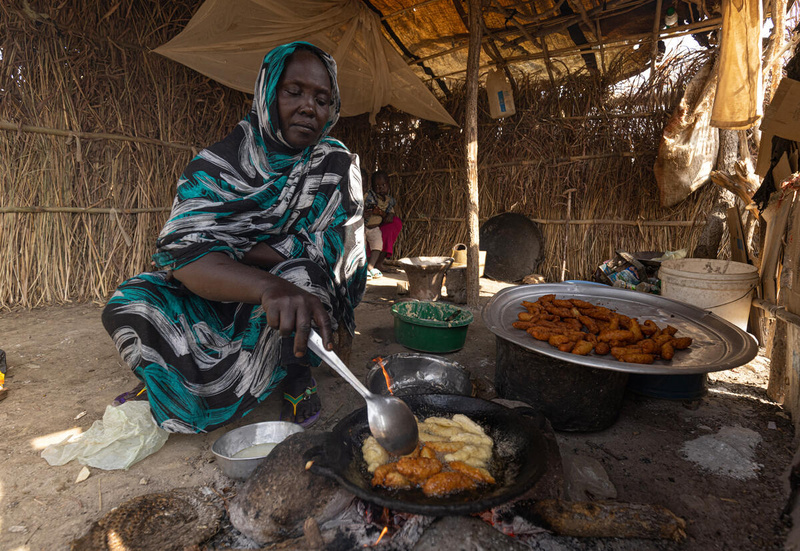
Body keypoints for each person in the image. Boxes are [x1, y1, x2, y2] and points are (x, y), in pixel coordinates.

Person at [102, 42, 367, 433]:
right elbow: (186, 257)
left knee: (304, 278)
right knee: (132, 302)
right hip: (220, 292)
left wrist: (238, 253)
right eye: (293, 92)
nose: (310, 107)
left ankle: (295, 377)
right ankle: (167, 379)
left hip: (285, 297)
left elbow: (335, 252)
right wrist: (262, 281)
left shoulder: (335, 166)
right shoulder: (217, 166)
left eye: (322, 99)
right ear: (267, 93)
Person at [363, 170, 402, 278]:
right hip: (363, 225)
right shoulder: (368, 195)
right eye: (377, 186)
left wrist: (381, 213)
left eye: (383, 185)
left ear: (389, 185)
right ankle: (362, 267)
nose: (380, 188)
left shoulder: (389, 201)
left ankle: (371, 266)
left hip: (375, 228)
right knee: (361, 244)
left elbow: (389, 217)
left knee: (377, 245)